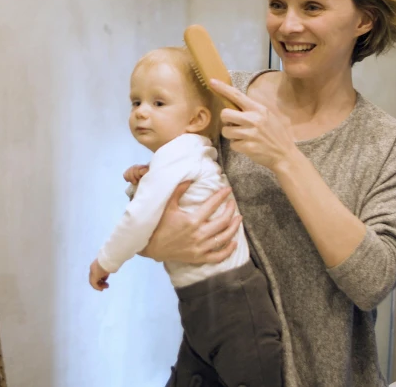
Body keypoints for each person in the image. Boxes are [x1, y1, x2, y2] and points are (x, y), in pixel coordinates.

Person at [136, 0, 396, 387]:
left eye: (311, 7)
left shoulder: (393, 147)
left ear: (364, 19)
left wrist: (285, 158)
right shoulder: (220, 99)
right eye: (277, 5)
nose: (287, 25)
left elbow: (372, 282)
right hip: (210, 371)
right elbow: (155, 207)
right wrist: (159, 239)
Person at [88, 47, 282, 387]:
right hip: (204, 300)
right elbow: (170, 203)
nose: (142, 113)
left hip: (230, 301)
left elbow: (139, 220)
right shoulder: (186, 153)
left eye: (158, 103)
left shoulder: (176, 156)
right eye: (136, 102)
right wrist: (144, 181)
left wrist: (105, 262)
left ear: (197, 120)